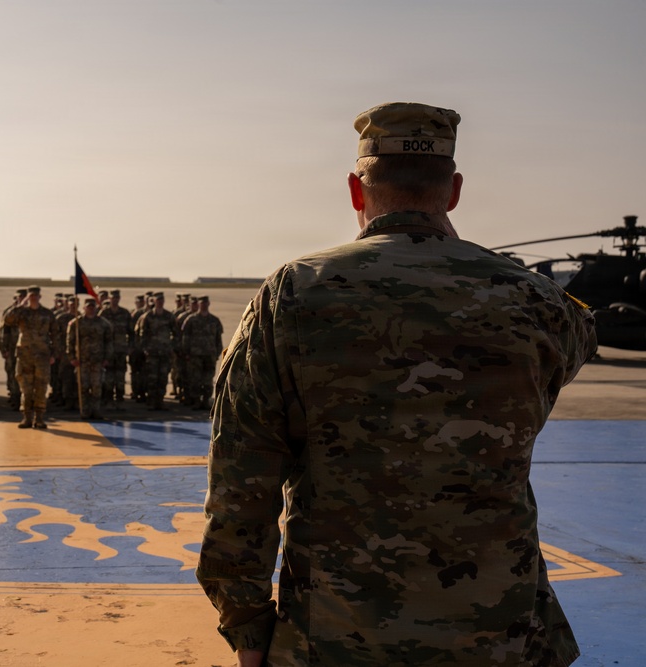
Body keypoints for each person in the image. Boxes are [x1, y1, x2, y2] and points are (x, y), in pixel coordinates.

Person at [196, 102, 598, 667]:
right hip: (502, 631)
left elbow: (241, 477)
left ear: (356, 191)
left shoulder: (292, 294)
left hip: (334, 632)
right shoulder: (537, 300)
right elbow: (581, 340)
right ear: (454, 191)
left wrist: (247, 625)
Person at [3, 285, 58, 429]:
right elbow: (7, 320)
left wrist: (54, 354)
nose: (33, 298)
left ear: (40, 297)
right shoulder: (22, 313)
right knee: (26, 389)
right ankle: (26, 417)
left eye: (35, 296)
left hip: (42, 355)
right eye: (31, 296)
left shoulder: (47, 314)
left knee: (41, 387)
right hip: (25, 356)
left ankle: (39, 418)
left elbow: (55, 335)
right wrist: (21, 305)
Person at [66, 297, 113, 419]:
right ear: (84, 308)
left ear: (96, 308)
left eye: (93, 307)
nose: (91, 309)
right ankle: (85, 411)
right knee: (83, 387)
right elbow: (70, 342)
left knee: (97, 387)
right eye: (88, 307)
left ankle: (96, 410)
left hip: (98, 361)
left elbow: (108, 342)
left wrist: (107, 358)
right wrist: (71, 358)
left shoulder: (104, 323)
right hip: (82, 361)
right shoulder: (76, 323)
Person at [135, 291, 180, 410]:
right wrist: (145, 349)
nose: (159, 302)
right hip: (152, 353)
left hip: (165, 353)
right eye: (157, 300)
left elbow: (176, 333)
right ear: (153, 301)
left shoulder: (169, 316)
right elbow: (141, 334)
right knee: (152, 378)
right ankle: (152, 401)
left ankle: (160, 401)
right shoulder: (148, 317)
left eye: (161, 300)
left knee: (163, 378)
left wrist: (171, 347)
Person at [179, 295, 222, 410]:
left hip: (210, 355)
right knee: (195, 379)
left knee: (208, 380)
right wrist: (186, 353)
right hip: (195, 355)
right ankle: (196, 401)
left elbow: (218, 339)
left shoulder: (214, 320)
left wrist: (217, 353)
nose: (203, 305)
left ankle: (206, 401)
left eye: (205, 303)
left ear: (208, 304)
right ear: (198, 304)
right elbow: (185, 338)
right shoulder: (191, 320)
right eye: (201, 303)